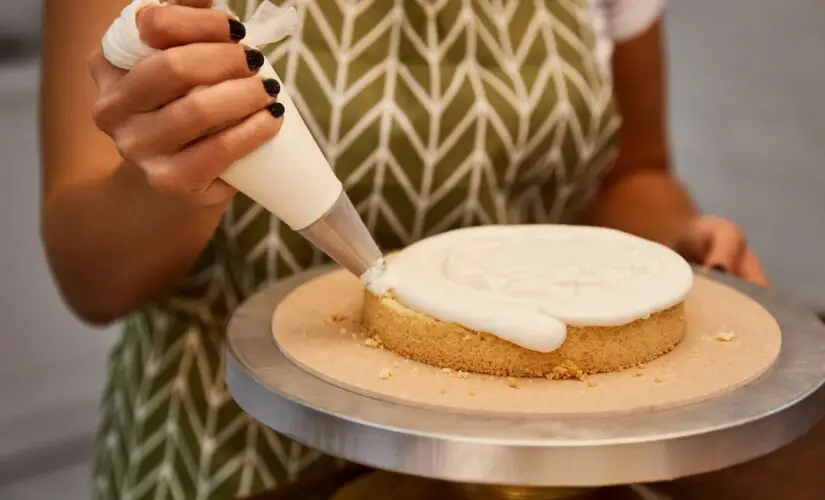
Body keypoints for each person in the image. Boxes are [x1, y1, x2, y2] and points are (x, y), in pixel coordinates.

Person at [40, 0, 775, 498]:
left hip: (540, 453)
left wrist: (666, 248)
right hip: (233, 448)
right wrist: (185, 173)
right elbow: (92, 279)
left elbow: (632, 171)